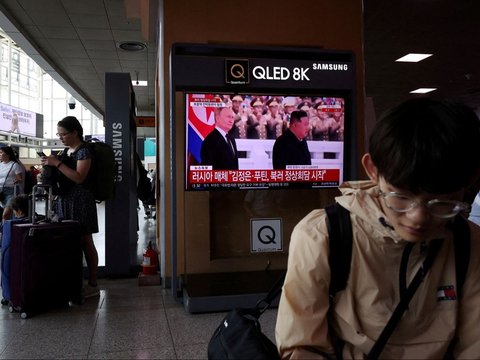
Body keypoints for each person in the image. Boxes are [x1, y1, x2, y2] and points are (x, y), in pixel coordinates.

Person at [275, 98, 480, 359]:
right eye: (401, 196)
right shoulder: (322, 236)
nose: (418, 217)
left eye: (440, 202)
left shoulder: (469, 243)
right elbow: (302, 347)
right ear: (373, 170)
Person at [41, 116, 100, 299]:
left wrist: (56, 163)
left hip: (81, 202)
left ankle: (93, 283)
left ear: (75, 132)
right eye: (59, 134)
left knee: (85, 240)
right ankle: (73, 280)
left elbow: (79, 177)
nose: (61, 137)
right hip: (65, 200)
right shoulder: (67, 152)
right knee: (70, 241)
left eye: (64, 134)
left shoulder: (84, 152)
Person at [0, 146, 24, 221]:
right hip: (1, 191)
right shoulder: (0, 165)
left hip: (11, 192)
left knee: (6, 214)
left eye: (1, 153)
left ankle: (5, 231)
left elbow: (20, 179)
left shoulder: (14, 165)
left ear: (7, 154)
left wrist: (17, 180)